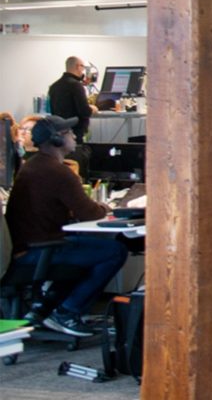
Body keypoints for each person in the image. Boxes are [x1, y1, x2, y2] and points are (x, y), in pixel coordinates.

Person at [5, 115, 128, 337]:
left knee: (91, 247)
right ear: (57, 140)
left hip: (28, 247)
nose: (74, 136)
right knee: (114, 250)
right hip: (40, 250)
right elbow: (88, 213)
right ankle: (67, 310)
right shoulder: (58, 172)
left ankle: (49, 308)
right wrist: (105, 208)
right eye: (69, 133)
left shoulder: (33, 166)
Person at [47, 56, 95, 145]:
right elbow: (85, 112)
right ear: (78, 66)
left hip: (59, 132)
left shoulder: (54, 86)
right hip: (75, 133)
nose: (83, 70)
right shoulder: (76, 86)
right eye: (83, 67)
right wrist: (92, 109)